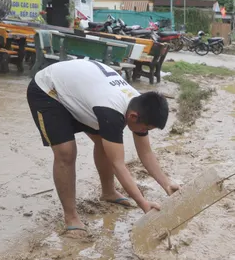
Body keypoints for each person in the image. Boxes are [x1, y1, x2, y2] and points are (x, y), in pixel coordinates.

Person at [26, 59, 180, 235]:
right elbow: (119, 165)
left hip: (79, 89)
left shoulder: (139, 104)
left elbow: (145, 152)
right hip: (48, 91)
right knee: (66, 153)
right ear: (133, 116)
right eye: (145, 128)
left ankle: (108, 192)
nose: (144, 132)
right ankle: (71, 217)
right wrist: (143, 203)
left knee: (105, 142)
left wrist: (166, 184)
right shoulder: (112, 112)